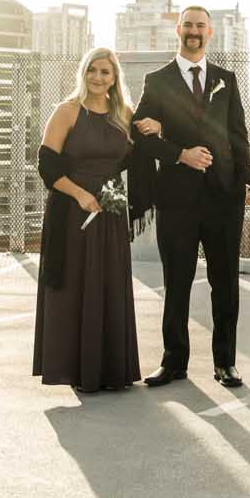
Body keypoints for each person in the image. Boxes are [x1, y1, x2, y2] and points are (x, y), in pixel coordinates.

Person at [131, 5, 250, 389]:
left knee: (225, 282)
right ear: (178, 31)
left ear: (211, 32)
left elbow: (238, 135)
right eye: (188, 25)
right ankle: (173, 362)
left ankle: (225, 363)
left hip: (224, 198)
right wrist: (179, 154)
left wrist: (245, 182)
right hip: (177, 199)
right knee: (177, 281)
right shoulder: (157, 81)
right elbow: (139, 134)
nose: (194, 31)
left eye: (201, 25)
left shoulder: (226, 80)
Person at [32, 48, 155, 393]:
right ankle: (77, 370)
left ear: (115, 78)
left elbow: (137, 157)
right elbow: (47, 164)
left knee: (109, 285)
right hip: (72, 211)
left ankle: (111, 370)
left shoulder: (123, 115)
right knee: (75, 285)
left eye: (106, 72)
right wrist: (81, 195)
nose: (99, 78)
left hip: (109, 212)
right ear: (83, 74)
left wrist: (152, 129)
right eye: (93, 71)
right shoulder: (67, 111)